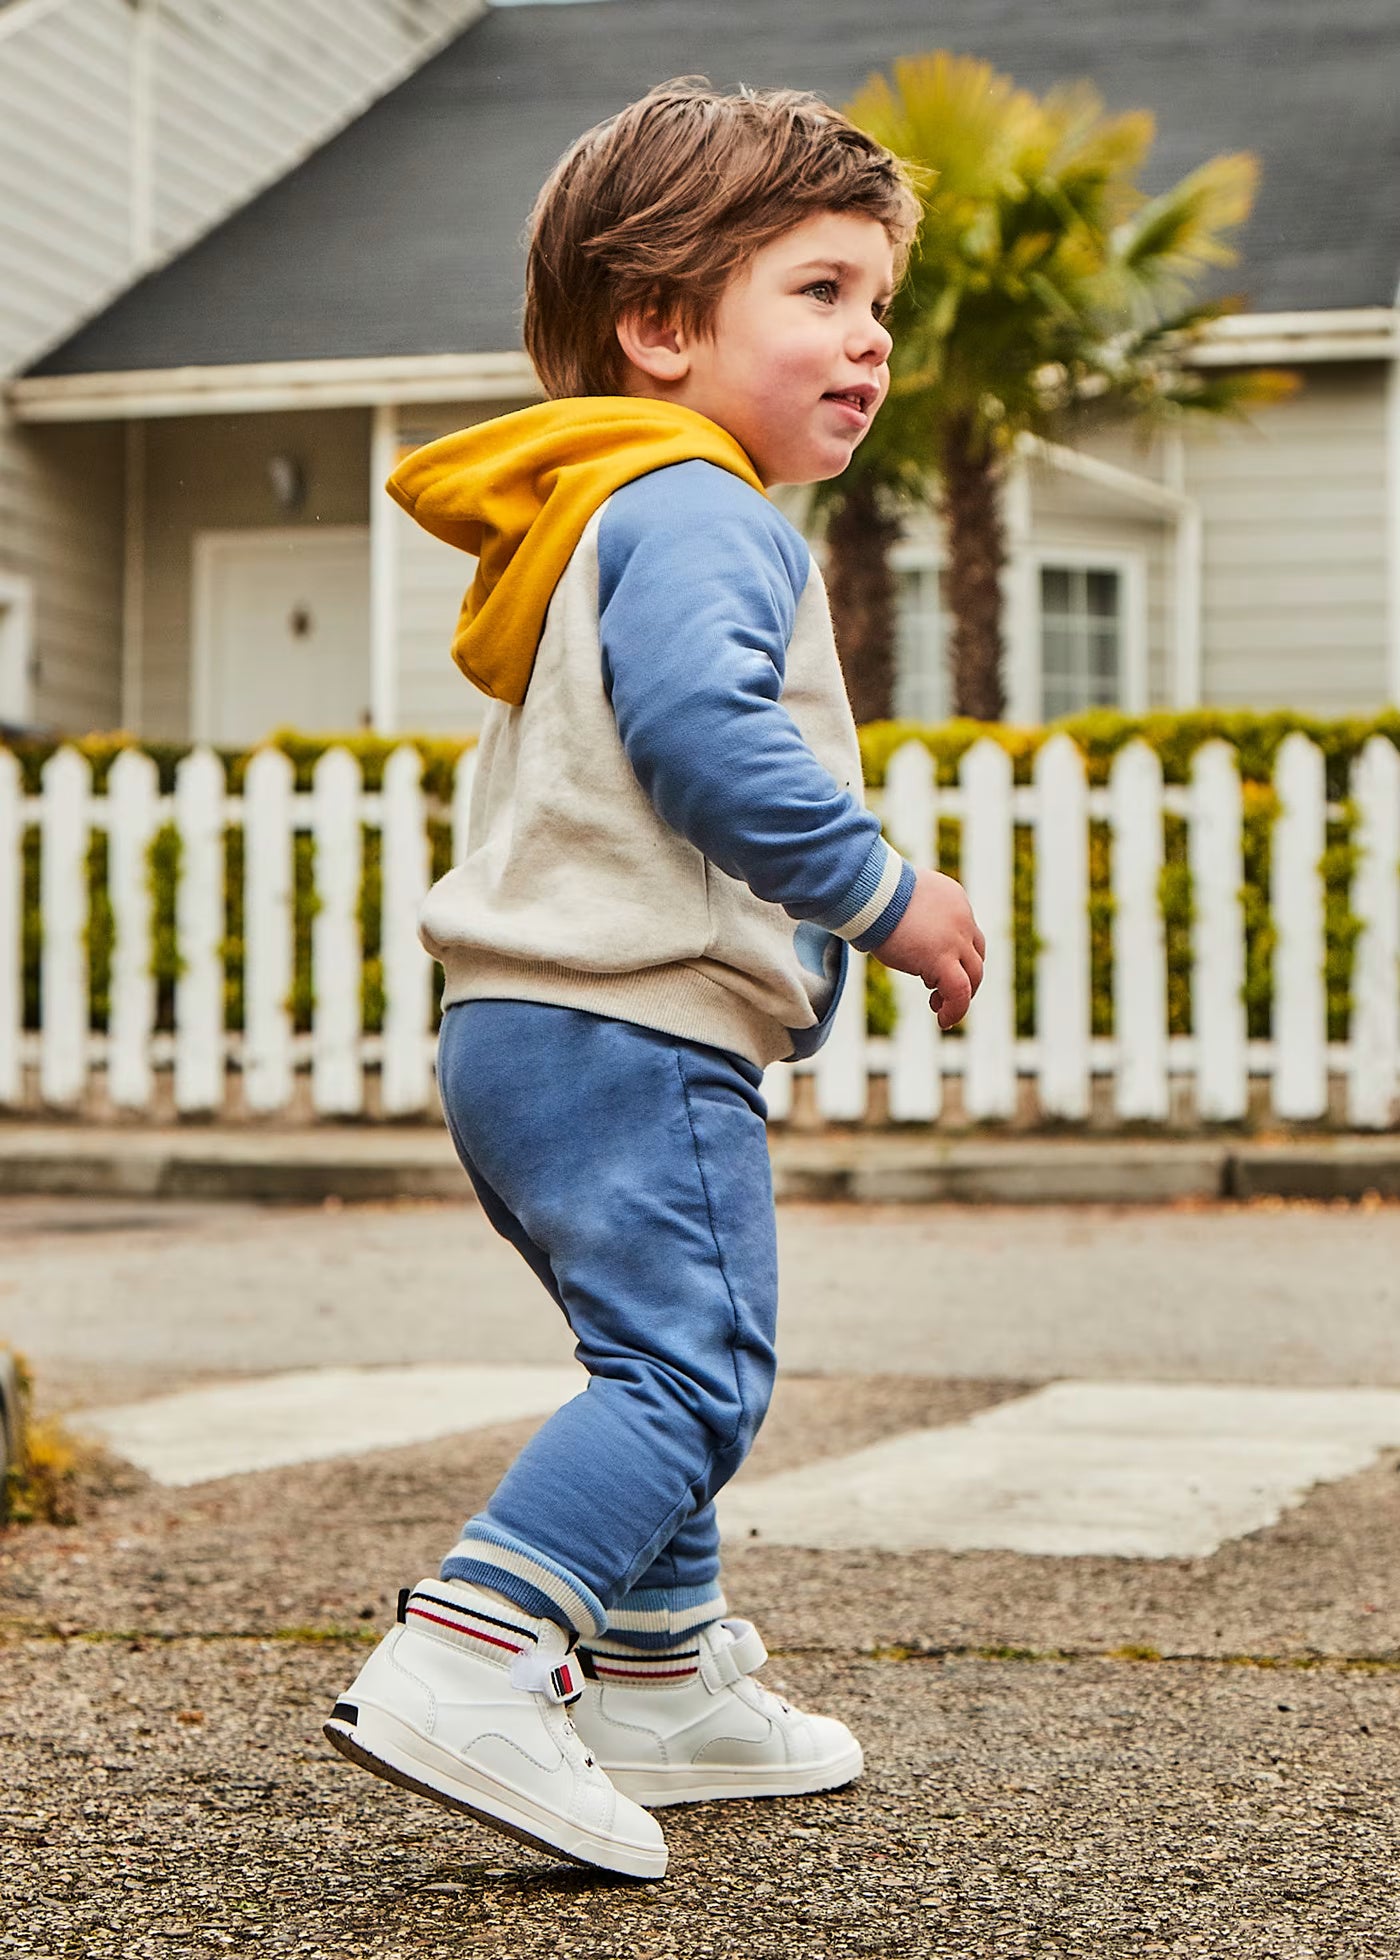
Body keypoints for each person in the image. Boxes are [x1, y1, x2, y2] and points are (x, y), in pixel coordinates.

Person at [324, 78, 984, 1882]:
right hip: (628, 1022)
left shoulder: (609, 510)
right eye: (824, 293)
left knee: (653, 1353)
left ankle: (659, 1679)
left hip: (525, 1028)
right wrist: (880, 892)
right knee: (692, 1376)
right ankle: (468, 1655)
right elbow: (706, 738)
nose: (870, 343)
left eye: (881, 307)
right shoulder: (706, 512)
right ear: (665, 325)